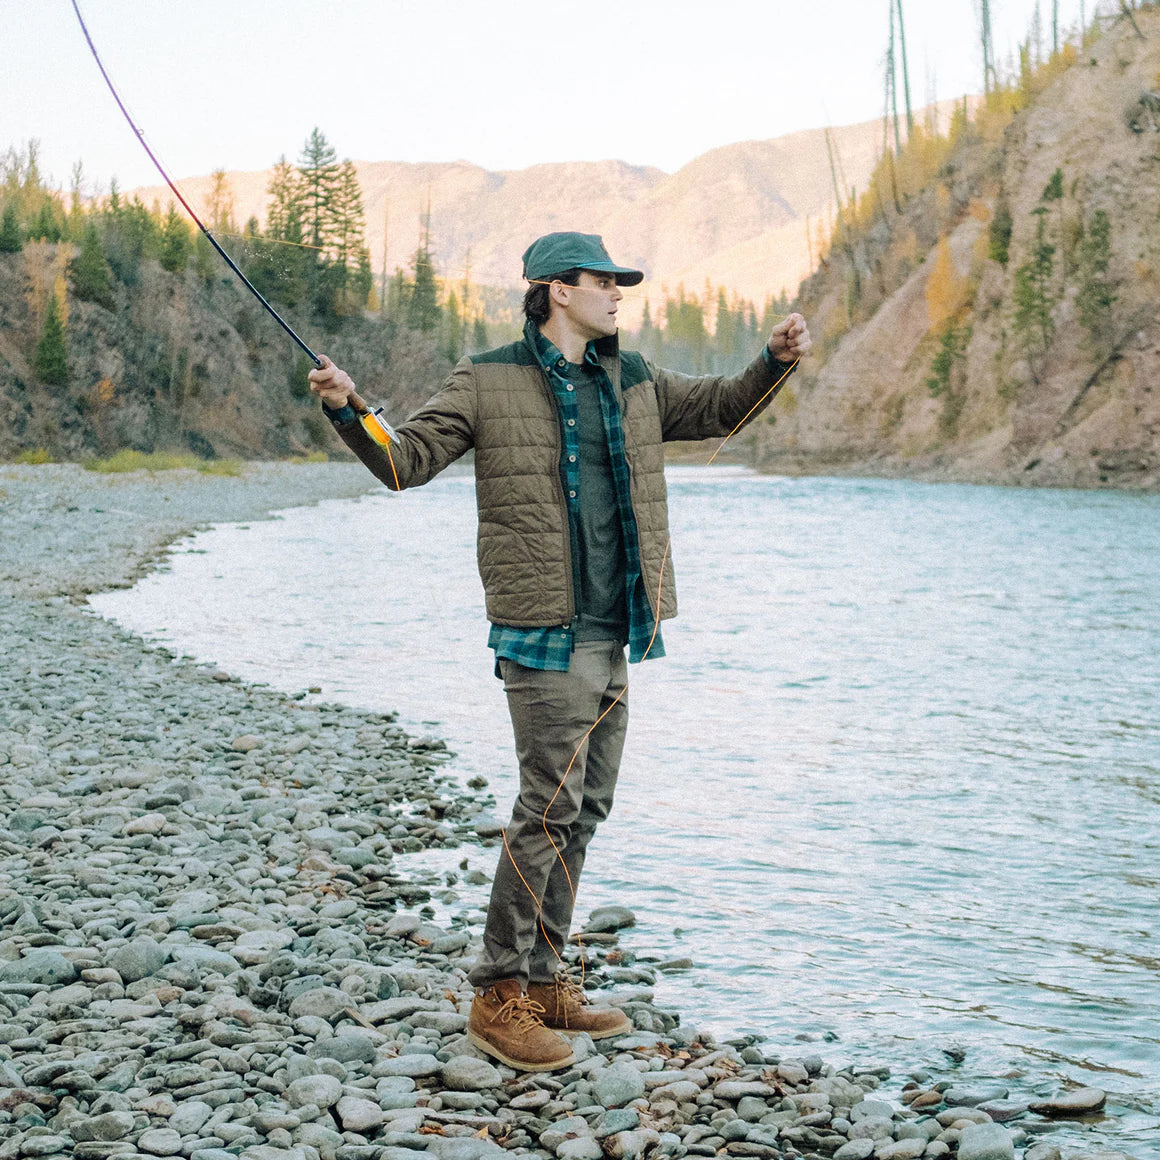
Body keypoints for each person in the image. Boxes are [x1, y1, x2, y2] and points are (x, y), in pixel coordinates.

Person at [308, 231, 811, 1072]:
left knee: (585, 809)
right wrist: (346, 406)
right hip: (543, 630)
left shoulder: (633, 377)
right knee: (546, 810)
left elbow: (725, 407)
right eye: (602, 281)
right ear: (555, 291)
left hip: (620, 626)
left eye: (620, 283)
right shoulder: (486, 377)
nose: (617, 294)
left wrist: (774, 361)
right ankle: (496, 995)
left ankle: (542, 983)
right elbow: (404, 463)